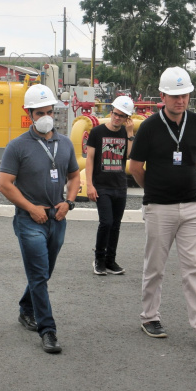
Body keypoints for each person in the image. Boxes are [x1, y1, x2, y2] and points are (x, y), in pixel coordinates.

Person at [128, 67, 196, 345]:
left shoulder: (195, 122)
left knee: (194, 267)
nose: (179, 100)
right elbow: (135, 167)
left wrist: (182, 182)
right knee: (155, 266)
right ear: (162, 96)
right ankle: (150, 317)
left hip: (192, 204)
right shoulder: (148, 127)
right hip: (160, 207)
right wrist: (156, 189)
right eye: (173, 95)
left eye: (184, 95)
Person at [0, 85, 79, 354]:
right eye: (40, 112)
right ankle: (48, 330)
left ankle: (26, 308)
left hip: (57, 218)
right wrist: (31, 208)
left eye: (49, 111)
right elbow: (4, 184)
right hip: (29, 220)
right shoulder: (17, 146)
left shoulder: (65, 143)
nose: (46, 116)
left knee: (43, 274)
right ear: (28, 113)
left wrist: (68, 202)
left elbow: (74, 176)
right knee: (39, 274)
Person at [85, 95, 135, 276]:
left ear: (127, 118)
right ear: (111, 111)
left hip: (120, 186)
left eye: (121, 116)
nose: (116, 118)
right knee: (106, 222)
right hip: (102, 186)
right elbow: (89, 160)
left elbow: (129, 156)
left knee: (116, 225)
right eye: (115, 113)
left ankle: (110, 260)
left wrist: (130, 134)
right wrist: (89, 185)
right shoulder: (97, 132)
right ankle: (99, 259)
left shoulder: (125, 134)